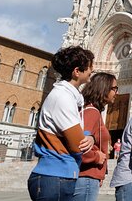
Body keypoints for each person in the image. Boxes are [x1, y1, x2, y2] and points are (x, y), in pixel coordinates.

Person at [27, 46, 96, 201]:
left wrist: (91, 137)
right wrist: (96, 154)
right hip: (54, 177)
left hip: (61, 175)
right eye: (90, 66)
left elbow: (78, 136)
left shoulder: (69, 97)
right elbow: (78, 145)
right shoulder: (62, 98)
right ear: (77, 71)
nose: (93, 69)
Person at [74, 72, 118, 201]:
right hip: (87, 176)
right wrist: (96, 157)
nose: (116, 92)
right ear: (103, 88)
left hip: (88, 176)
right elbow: (79, 143)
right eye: (114, 88)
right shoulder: (92, 112)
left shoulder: (90, 110)